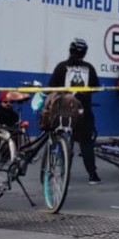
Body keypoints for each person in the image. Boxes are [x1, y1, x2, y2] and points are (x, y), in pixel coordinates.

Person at [48, 38, 102, 185]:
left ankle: (61, 173)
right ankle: (92, 175)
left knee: (61, 140)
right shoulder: (89, 68)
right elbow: (96, 87)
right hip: (83, 112)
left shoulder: (61, 67)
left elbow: (51, 87)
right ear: (84, 53)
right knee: (86, 143)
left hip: (62, 110)